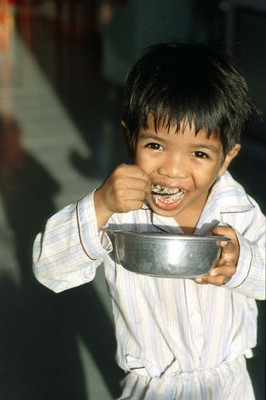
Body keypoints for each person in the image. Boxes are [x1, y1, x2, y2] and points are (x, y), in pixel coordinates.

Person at [32, 42, 265, 399]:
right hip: (152, 389)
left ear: (227, 158)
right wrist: (99, 205)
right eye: (155, 146)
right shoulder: (120, 210)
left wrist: (243, 262)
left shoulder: (237, 211)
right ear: (130, 138)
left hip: (228, 385)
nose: (171, 171)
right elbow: (49, 269)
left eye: (199, 154)